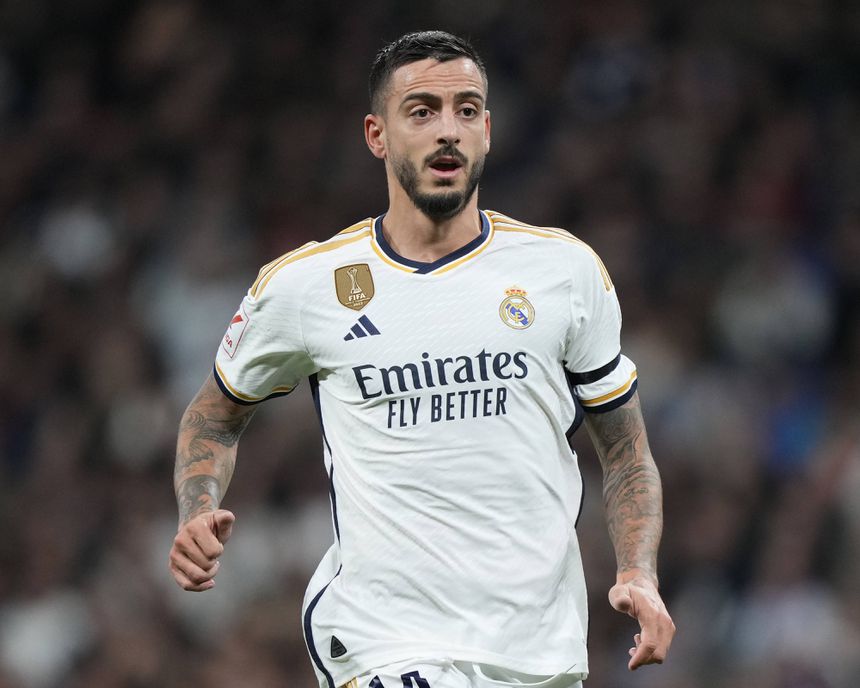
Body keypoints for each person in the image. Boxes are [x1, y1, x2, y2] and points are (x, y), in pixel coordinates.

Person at [169, 30, 675, 688]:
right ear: (377, 135)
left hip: (541, 652)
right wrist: (197, 508)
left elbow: (626, 450)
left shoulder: (564, 272)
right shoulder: (306, 286)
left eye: (467, 110)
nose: (448, 130)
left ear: (487, 131)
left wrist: (639, 571)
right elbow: (213, 417)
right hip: (385, 640)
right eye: (422, 111)